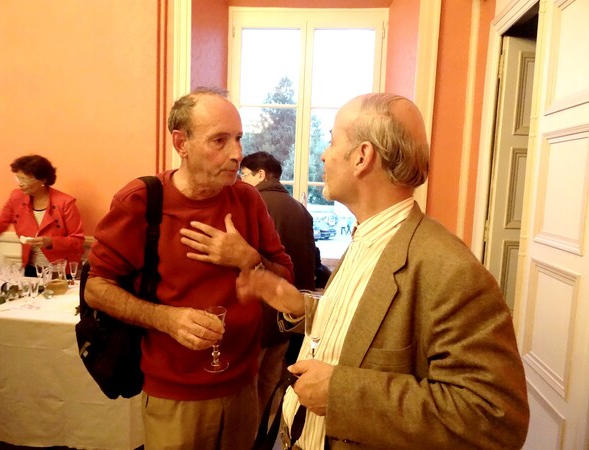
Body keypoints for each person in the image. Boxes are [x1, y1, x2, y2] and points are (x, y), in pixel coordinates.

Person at [237, 93, 530, 449]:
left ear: (362, 156)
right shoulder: (366, 236)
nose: (323, 155)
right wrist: (304, 307)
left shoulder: (450, 270)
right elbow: (368, 324)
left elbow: (494, 419)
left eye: (331, 142)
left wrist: (339, 392)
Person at [84, 87, 293, 450]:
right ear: (181, 143)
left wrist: (248, 260)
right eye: (220, 140)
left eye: (239, 139)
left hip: (243, 386)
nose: (237, 154)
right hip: (174, 395)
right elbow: (96, 289)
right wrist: (167, 319)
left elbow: (289, 280)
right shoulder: (142, 201)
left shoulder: (248, 199)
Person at [239, 151, 316, 415]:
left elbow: (246, 262)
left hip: (258, 315)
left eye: (244, 174)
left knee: (247, 394)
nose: (241, 180)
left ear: (260, 175)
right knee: (271, 390)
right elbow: (310, 262)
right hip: (288, 319)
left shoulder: (253, 204)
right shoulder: (300, 209)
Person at [0, 154, 84, 277]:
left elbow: (77, 240)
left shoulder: (65, 203)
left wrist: (51, 242)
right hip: (30, 268)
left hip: (60, 270)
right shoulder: (16, 197)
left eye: (25, 180)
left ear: (43, 180)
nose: (20, 184)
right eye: (18, 179)